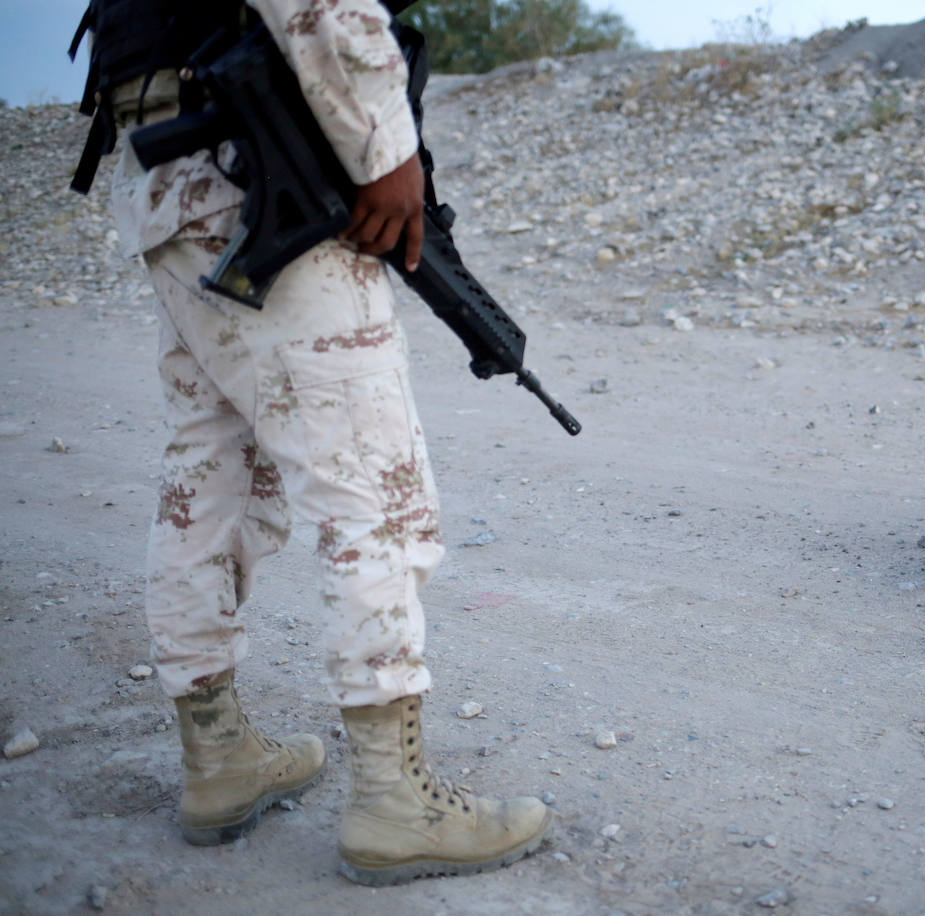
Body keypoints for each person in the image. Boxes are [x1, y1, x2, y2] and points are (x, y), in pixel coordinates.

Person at [71, 0, 551, 886]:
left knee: (211, 474)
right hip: (254, 156)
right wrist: (385, 148)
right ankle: (395, 800)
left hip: (170, 172)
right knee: (373, 482)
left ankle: (217, 759)